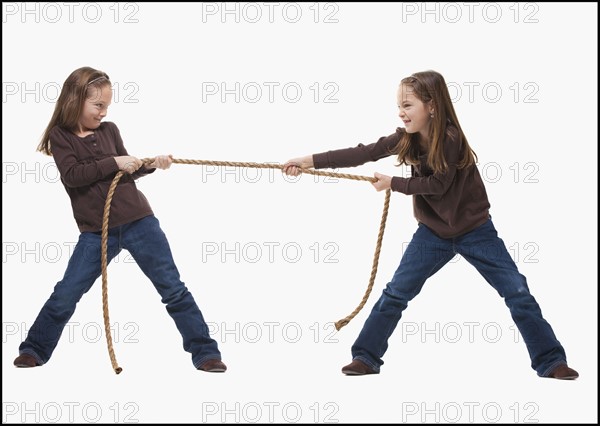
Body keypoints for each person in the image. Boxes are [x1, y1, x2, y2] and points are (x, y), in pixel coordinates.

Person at [283, 70, 578, 380]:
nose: (401, 111)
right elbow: (363, 152)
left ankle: (550, 361)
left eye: (408, 105)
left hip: (476, 231)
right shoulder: (405, 139)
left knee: (517, 292)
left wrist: (392, 183)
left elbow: (438, 185)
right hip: (433, 233)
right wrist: (308, 161)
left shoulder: (451, 139)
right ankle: (366, 358)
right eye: (399, 105)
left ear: (432, 106)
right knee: (396, 292)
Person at [13, 66, 226, 372]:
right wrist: (114, 161)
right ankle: (34, 348)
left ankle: (205, 353)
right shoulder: (61, 137)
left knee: (173, 288)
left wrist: (151, 164)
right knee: (66, 292)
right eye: (98, 105)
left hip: (140, 221)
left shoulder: (110, 130)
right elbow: (73, 175)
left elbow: (128, 168)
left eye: (106, 107)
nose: (103, 112)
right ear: (74, 101)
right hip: (96, 232)